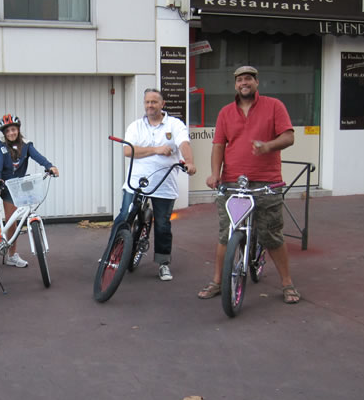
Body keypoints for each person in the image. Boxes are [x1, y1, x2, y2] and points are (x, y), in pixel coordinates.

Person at [198, 65, 300, 304]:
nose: (244, 83)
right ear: (235, 85)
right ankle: (217, 281)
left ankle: (287, 282)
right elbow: (218, 146)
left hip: (266, 182)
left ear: (256, 83)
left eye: (249, 79)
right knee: (227, 233)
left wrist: (268, 146)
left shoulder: (274, 106)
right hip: (234, 183)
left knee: (271, 235)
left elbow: (289, 136)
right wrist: (215, 174)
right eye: (240, 79)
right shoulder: (225, 112)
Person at [111, 88, 196, 281]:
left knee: (163, 225)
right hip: (136, 182)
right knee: (124, 216)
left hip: (164, 185)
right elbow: (128, 151)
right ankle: (112, 253)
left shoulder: (175, 124)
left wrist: (189, 162)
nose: (150, 105)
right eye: (147, 102)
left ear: (162, 104)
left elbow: (183, 144)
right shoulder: (135, 126)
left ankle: (163, 263)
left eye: (154, 102)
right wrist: (157, 150)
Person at [0, 114, 59, 268]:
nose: (11, 133)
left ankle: (12, 256)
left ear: (18, 129)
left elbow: (39, 157)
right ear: (4, 133)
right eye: (8, 131)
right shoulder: (0, 145)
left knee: (12, 222)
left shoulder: (26, 146)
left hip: (13, 186)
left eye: (13, 129)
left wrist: (49, 166)